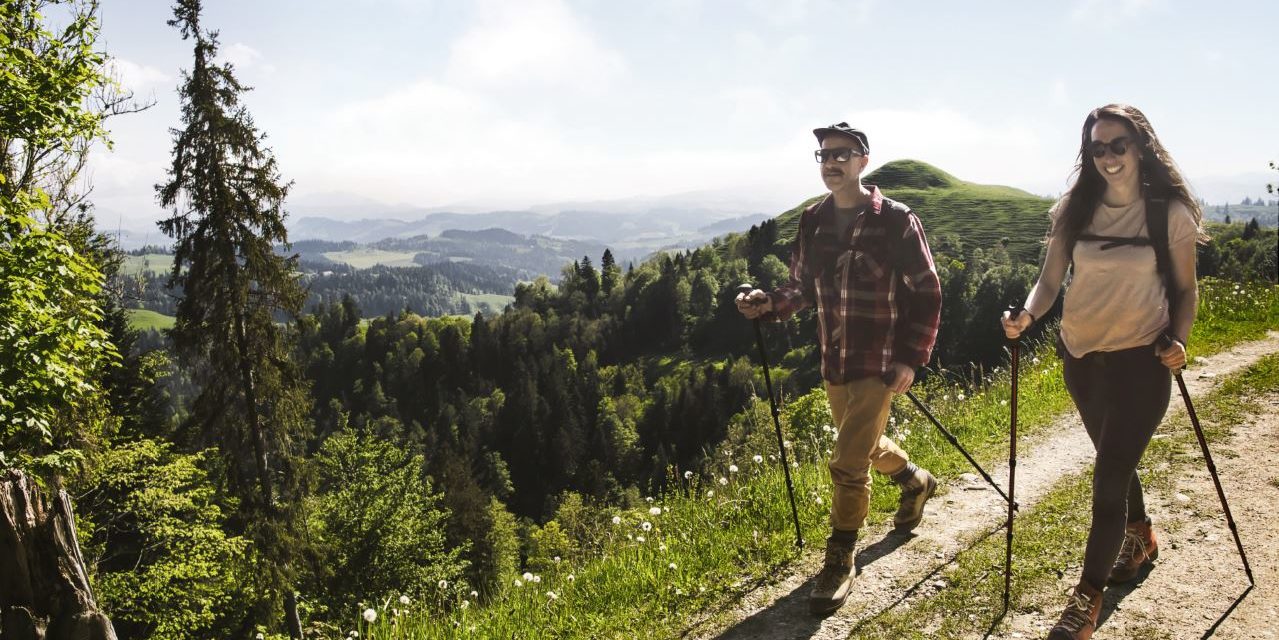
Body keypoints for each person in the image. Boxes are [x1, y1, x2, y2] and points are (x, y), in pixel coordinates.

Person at [1001, 104, 1204, 640]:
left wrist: (1179, 340)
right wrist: (1027, 314)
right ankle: (1140, 534)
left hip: (1143, 358)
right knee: (1113, 456)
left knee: (1109, 473)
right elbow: (1048, 282)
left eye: (1118, 145)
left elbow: (1185, 291)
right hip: (1082, 357)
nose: (1108, 157)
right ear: (1088, 154)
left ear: (1140, 147)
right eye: (1098, 148)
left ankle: (1086, 597)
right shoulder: (1075, 207)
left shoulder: (1170, 213)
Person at [736, 122, 943, 616]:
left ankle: (840, 558)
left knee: (847, 463)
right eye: (824, 155)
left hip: (880, 360)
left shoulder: (895, 221)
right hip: (835, 357)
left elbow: (928, 291)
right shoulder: (813, 220)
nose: (832, 163)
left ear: (863, 161)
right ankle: (916, 480)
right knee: (866, 447)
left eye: (842, 155)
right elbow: (802, 286)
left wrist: (911, 358)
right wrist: (769, 302)